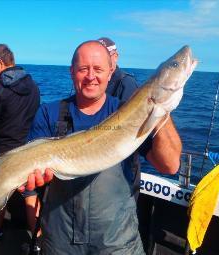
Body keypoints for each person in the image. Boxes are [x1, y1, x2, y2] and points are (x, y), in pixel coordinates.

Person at [22, 40, 182, 254]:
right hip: (60, 242)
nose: (90, 76)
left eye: (98, 69)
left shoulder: (129, 112)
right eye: (83, 69)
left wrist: (160, 107)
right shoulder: (48, 113)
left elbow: (170, 165)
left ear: (111, 72)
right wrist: (36, 226)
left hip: (117, 242)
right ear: (72, 72)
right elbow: (29, 180)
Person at [0, 44, 40, 242]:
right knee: (31, 195)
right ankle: (37, 238)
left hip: (3, 152)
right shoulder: (33, 85)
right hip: (28, 149)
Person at [98, 36, 143, 201]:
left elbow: (128, 126)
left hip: (121, 166)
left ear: (115, 56)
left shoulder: (126, 83)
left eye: (107, 55)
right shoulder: (95, 80)